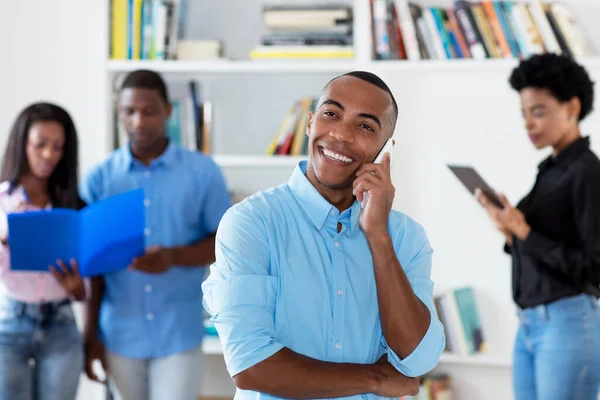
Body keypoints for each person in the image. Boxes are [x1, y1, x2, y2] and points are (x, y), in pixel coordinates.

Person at [202, 71, 445, 399]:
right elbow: (251, 365)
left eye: (365, 126)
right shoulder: (251, 222)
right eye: (332, 114)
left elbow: (417, 357)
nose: (342, 135)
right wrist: (375, 379)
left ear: (385, 147)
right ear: (310, 122)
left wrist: (378, 236)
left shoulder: (405, 237)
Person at [79, 69, 231, 400]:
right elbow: (90, 266)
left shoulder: (202, 172)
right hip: (119, 332)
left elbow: (225, 244)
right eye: (129, 112)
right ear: (119, 113)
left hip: (178, 330)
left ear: (168, 111)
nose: (139, 122)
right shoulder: (100, 179)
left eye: (149, 111)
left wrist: (173, 257)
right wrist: (90, 335)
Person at [476, 53, 600, 399]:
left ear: (572, 108)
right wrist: (508, 230)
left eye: (539, 111)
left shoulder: (588, 173)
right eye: (524, 113)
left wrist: (524, 231)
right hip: (530, 323)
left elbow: (593, 267)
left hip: (568, 322)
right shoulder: (550, 170)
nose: (528, 123)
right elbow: (542, 244)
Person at [0, 102, 88, 400]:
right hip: (9, 322)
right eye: (40, 145)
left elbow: (87, 283)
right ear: (22, 143)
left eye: (58, 147)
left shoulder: (74, 207)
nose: (49, 155)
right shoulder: (2, 202)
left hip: (61, 322)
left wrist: (77, 290)